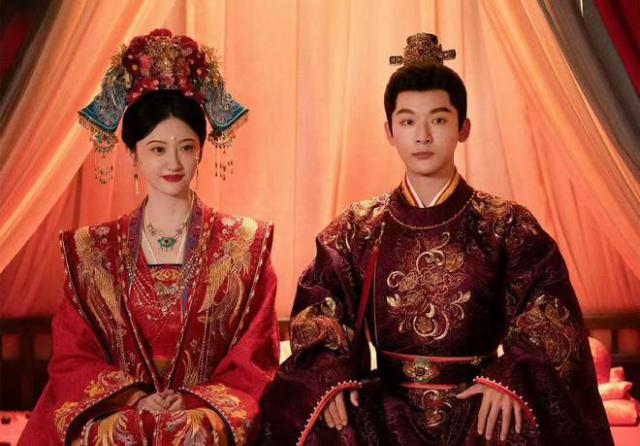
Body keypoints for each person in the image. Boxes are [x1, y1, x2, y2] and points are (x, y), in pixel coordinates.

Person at [260, 33, 613, 445]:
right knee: (326, 421)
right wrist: (330, 375)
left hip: (478, 406)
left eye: (439, 120)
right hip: (386, 407)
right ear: (390, 131)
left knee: (515, 423)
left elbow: (549, 315)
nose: (423, 135)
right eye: (408, 121)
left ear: (463, 128)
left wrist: (509, 379)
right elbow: (320, 308)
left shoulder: (505, 225)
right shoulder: (358, 227)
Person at [19, 29, 278, 445]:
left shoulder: (245, 245)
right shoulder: (91, 250)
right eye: (157, 149)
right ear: (132, 154)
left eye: (186, 147)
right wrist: (136, 398)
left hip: (207, 419)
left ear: (201, 150)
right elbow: (73, 354)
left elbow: (255, 355)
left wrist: (191, 402)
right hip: (118, 413)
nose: (173, 163)